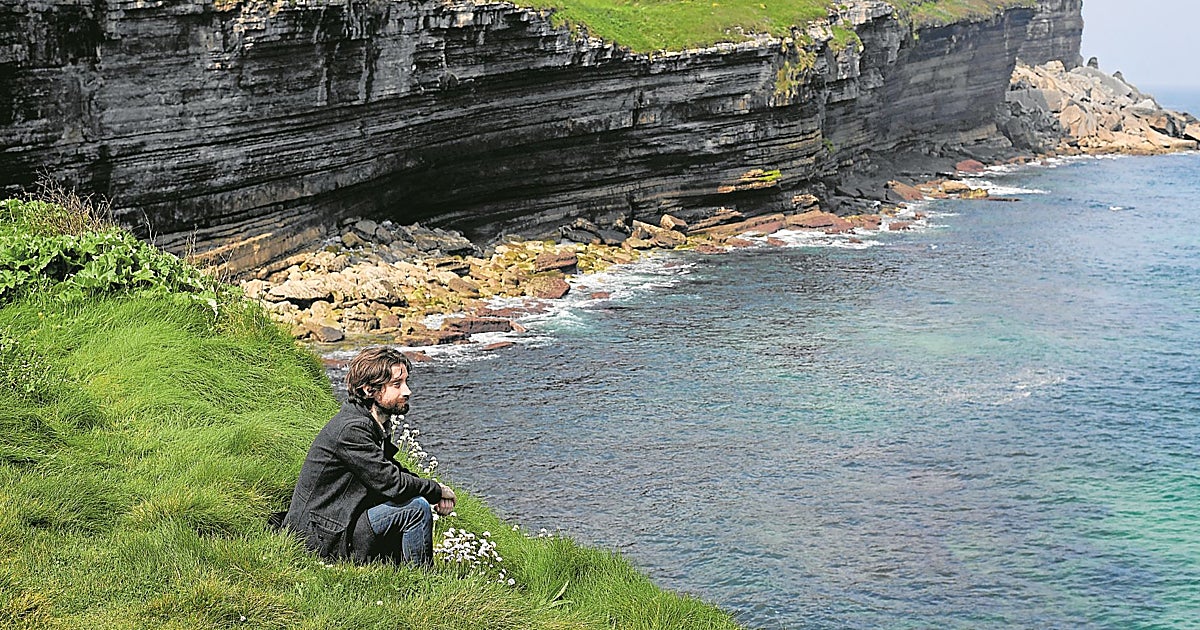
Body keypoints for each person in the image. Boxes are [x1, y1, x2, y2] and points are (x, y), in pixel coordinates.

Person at [282, 346, 455, 565]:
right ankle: (421, 583)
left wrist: (433, 490)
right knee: (416, 508)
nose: (407, 391)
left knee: (409, 501)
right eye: (396, 384)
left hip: (339, 519)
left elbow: (389, 469)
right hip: (319, 536)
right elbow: (392, 482)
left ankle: (398, 567)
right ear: (368, 390)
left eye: (406, 382)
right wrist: (436, 490)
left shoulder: (371, 421)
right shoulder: (353, 429)